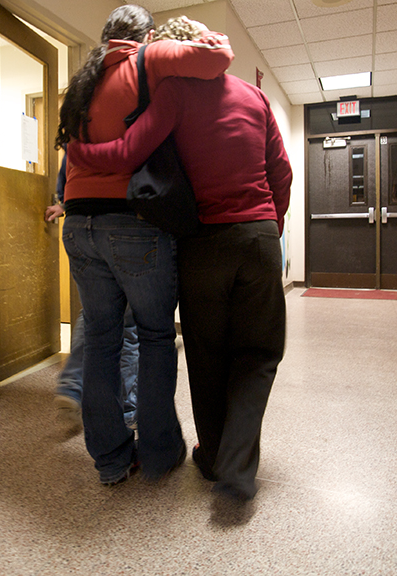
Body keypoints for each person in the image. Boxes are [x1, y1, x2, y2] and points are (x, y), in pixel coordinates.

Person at [66, 16, 292, 500]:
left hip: (201, 245)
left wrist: (78, 154)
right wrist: (269, 228)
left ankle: (210, 457)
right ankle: (233, 462)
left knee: (203, 357)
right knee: (257, 355)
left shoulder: (171, 96)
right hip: (256, 238)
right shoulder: (254, 97)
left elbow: (130, 152)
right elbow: (283, 174)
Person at [56, 6, 234, 485]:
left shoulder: (81, 81)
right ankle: (157, 454)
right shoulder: (146, 60)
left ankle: (111, 462)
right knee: (155, 337)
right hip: (132, 223)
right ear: (146, 36)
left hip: (78, 226)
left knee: (100, 341)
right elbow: (219, 57)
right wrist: (191, 37)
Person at [46, 150, 138, 432]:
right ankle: (127, 408)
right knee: (130, 325)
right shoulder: (136, 116)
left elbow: (67, 175)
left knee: (95, 316)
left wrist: (65, 202)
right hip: (128, 222)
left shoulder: (80, 122)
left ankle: (72, 385)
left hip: (79, 223)